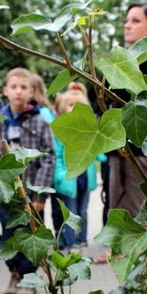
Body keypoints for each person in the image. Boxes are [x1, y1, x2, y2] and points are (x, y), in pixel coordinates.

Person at [96, 2, 147, 263]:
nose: (128, 25)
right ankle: (129, 247)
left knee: (126, 200)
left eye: (136, 21)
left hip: (134, 148)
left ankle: (124, 252)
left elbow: (122, 99)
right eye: (127, 20)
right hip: (144, 147)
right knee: (130, 198)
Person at [0, 68, 54, 294]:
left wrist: (40, 197)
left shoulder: (40, 122)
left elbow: (48, 157)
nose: (18, 91)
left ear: (31, 91)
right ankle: (14, 271)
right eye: (14, 87)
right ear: (5, 91)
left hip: (31, 192)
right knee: (9, 234)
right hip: (8, 193)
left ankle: (28, 276)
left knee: (31, 235)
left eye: (23, 87)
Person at [51, 84, 105, 252]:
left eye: (79, 105)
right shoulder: (60, 131)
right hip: (68, 179)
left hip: (85, 178)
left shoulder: (89, 130)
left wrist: (105, 154)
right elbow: (57, 156)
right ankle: (71, 242)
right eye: (70, 105)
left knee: (83, 211)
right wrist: (60, 176)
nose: (74, 109)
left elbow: (96, 150)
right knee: (70, 213)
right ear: (62, 108)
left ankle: (82, 241)